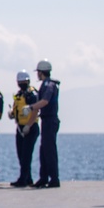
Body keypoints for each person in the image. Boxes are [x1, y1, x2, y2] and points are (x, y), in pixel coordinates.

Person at [23, 59, 60, 188]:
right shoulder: (45, 85)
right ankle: (44, 178)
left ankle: (54, 179)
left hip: (50, 120)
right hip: (46, 120)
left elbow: (45, 101)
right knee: (44, 150)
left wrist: (31, 107)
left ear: (41, 72)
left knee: (49, 150)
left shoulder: (49, 85)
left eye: (38, 72)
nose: (37, 74)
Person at [8, 70, 39, 187]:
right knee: (21, 154)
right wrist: (12, 114)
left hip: (30, 127)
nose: (21, 84)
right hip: (20, 127)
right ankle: (28, 178)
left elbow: (35, 110)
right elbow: (17, 108)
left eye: (23, 82)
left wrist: (28, 125)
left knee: (26, 154)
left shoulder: (32, 94)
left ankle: (23, 179)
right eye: (19, 82)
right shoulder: (19, 95)